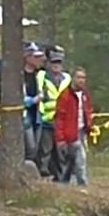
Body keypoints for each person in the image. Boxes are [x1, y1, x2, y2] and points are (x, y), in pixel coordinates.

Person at [54, 67, 96, 185]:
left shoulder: (85, 95)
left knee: (80, 159)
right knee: (69, 161)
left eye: (83, 78)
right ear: (73, 78)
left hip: (81, 131)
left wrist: (89, 126)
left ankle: (81, 183)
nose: (81, 80)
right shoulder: (65, 96)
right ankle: (68, 183)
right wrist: (60, 137)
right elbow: (59, 118)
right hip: (68, 133)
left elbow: (88, 111)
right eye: (79, 77)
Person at [36, 50, 72, 179]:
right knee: (46, 148)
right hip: (46, 118)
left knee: (61, 149)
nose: (56, 65)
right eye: (54, 63)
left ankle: (60, 174)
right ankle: (43, 173)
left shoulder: (67, 79)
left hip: (62, 120)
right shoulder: (42, 77)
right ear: (49, 64)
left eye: (59, 63)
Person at [22, 42, 47, 170]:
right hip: (24, 116)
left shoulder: (40, 74)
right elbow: (18, 98)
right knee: (30, 147)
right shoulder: (19, 75)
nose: (40, 60)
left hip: (38, 115)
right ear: (28, 57)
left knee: (36, 148)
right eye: (36, 57)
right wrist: (34, 100)